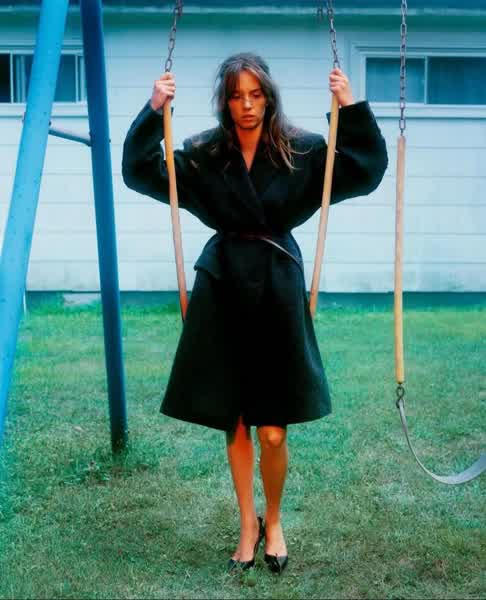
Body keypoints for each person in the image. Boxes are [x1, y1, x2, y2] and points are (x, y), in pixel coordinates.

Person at [122, 52, 388, 574]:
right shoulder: (205, 154)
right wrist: (153, 111)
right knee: (237, 418)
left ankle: (276, 519)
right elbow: (139, 172)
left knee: (273, 429)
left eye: (255, 94)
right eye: (236, 96)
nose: (246, 105)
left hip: (277, 286)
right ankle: (248, 523)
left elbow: (365, 170)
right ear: (224, 101)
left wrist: (350, 108)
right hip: (222, 286)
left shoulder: (303, 152)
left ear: (269, 97)